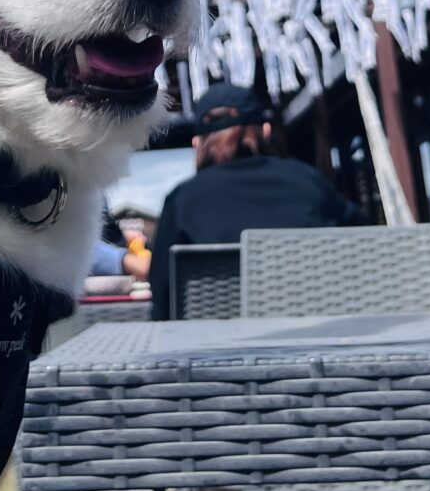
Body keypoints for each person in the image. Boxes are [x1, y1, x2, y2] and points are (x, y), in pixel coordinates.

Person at [148, 81, 361, 319]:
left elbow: (162, 299)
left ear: (197, 143)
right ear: (266, 130)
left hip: (215, 346)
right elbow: (358, 247)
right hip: (318, 341)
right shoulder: (310, 182)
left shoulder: (181, 201)